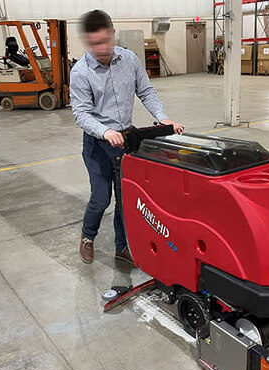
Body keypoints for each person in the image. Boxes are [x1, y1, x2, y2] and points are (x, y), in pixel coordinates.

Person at [70, 10, 184, 264]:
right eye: (93, 44)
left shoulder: (129, 59)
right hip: (98, 145)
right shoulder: (80, 72)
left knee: (125, 200)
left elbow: (146, 91)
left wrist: (163, 118)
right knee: (101, 199)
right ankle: (88, 236)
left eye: (104, 42)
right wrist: (105, 131)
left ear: (112, 35)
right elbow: (80, 113)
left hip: (127, 142)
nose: (100, 49)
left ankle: (122, 247)